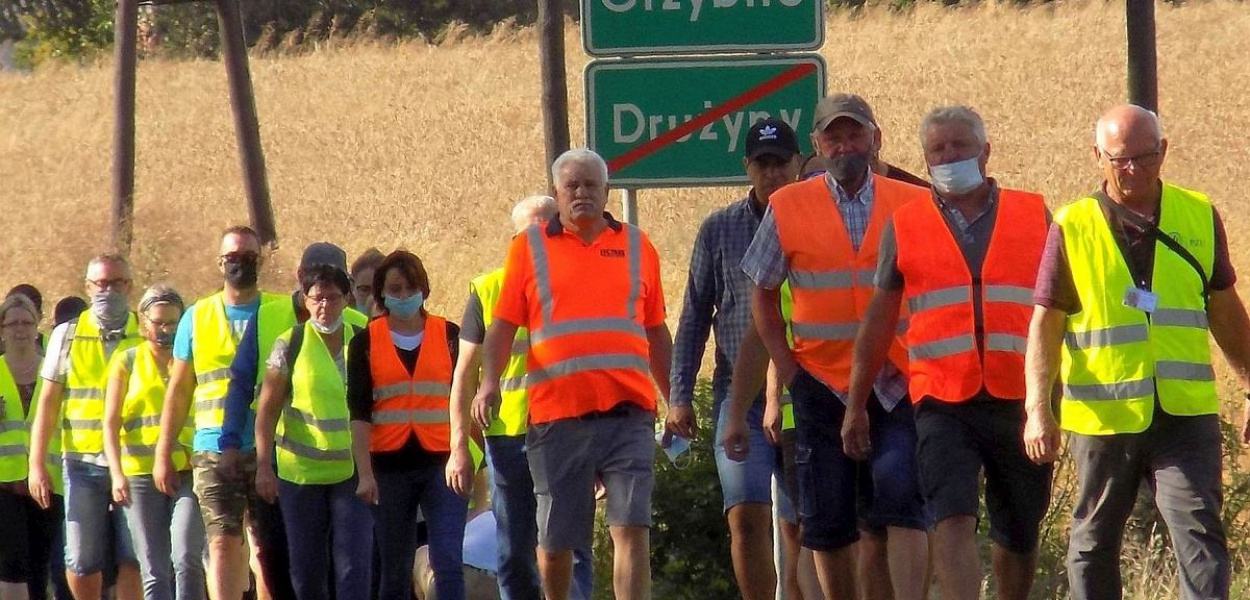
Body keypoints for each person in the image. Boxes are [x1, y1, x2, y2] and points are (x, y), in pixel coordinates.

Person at [1023, 104, 1250, 600]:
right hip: (1103, 418)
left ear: (1163, 152)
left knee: (1199, 533)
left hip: (1184, 414)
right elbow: (1046, 323)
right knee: (1093, 541)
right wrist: (1038, 408)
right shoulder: (1072, 224)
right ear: (1097, 156)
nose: (1131, 170)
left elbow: (1225, 308)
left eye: (1144, 158)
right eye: (1118, 159)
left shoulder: (1198, 214)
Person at [844, 106, 1052, 600]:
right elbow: (878, 320)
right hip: (941, 399)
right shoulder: (907, 224)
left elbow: (1062, 305)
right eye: (938, 150)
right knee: (950, 514)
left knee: (1019, 529)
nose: (949, 156)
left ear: (985, 150)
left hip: (1018, 395)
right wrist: (855, 404)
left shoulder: (1033, 213)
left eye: (959, 146)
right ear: (924, 158)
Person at [729, 93, 930, 600]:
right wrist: (788, 371)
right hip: (820, 384)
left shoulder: (912, 203)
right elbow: (763, 294)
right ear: (817, 145)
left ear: (875, 138)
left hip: (898, 380)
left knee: (903, 505)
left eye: (854, 134)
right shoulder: (788, 205)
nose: (844, 146)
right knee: (826, 519)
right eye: (833, 137)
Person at [470, 149, 674, 600]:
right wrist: (488, 384)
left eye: (590, 185)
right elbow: (502, 325)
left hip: (629, 412)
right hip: (558, 416)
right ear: (558, 193)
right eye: (572, 186)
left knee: (630, 528)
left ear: (606, 191)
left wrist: (675, 396)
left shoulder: (638, 246)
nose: (581, 193)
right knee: (557, 542)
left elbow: (655, 328)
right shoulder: (529, 247)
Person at [667, 117, 803, 600]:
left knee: (798, 523)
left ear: (797, 163)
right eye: (762, 164)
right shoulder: (720, 228)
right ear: (748, 167)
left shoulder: (813, 217)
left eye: (780, 163)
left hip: (801, 392)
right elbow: (693, 317)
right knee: (743, 514)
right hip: (736, 394)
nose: (772, 173)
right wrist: (679, 396)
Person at [446, 195, 595, 600]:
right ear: (514, 241)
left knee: (571, 544)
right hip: (509, 437)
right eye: (529, 235)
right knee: (514, 550)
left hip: (568, 433)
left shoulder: (581, 282)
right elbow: (463, 375)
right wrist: (459, 445)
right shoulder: (489, 289)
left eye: (548, 230)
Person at [217, 242, 372, 600]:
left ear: (347, 296)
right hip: (300, 474)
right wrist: (263, 467)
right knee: (306, 569)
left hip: (352, 471)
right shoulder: (289, 342)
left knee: (353, 567)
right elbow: (265, 408)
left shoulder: (364, 335)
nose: (324, 306)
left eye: (332, 297)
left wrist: (372, 470)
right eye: (316, 297)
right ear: (304, 296)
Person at [153, 226, 285, 600]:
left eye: (248, 257)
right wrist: (163, 453)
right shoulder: (197, 316)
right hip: (213, 450)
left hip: (271, 448)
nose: (240, 265)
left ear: (260, 261)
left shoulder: (280, 311)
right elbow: (179, 390)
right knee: (223, 543)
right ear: (220, 263)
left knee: (266, 549)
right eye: (232, 258)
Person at [346, 250, 465, 600]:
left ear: (424, 290)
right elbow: (359, 412)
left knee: (447, 563)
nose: (402, 296)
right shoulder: (365, 341)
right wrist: (364, 474)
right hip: (389, 470)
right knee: (395, 570)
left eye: (410, 288)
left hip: (442, 466)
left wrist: (469, 456)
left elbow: (462, 398)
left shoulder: (449, 334)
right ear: (381, 292)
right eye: (394, 289)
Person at [27, 253, 144, 600]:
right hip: (82, 462)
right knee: (81, 558)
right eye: (101, 284)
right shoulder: (68, 334)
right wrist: (36, 464)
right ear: (88, 288)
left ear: (130, 286)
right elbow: (47, 403)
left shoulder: (144, 331)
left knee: (132, 556)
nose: (109, 291)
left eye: (117, 283)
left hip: (134, 460)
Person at [103, 285, 206, 600]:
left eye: (173, 323)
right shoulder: (127, 361)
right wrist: (116, 474)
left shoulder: (192, 360)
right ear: (143, 322)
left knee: (186, 555)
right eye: (159, 322)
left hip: (187, 469)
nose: (165, 330)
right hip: (140, 474)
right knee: (153, 568)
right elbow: (110, 421)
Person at [0, 294, 57, 600]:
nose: (20, 329)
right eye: (12, 323)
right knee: (12, 563)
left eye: (27, 322)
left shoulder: (55, 372)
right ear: (2, 329)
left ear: (38, 326)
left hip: (48, 482)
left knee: (40, 566)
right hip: (4, 484)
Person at [350, 248, 385, 317]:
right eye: (364, 290)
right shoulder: (340, 324)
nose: (372, 298)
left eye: (379, 291)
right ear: (352, 288)